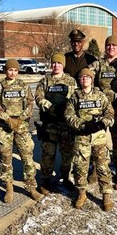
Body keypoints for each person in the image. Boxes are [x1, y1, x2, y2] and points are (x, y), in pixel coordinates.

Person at [0, 59, 43, 203]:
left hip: (21, 126)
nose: (12, 72)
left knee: (27, 157)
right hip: (4, 126)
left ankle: (31, 187)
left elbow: (30, 104)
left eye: (15, 70)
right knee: (5, 158)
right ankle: (8, 187)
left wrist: (21, 118)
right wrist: (8, 119)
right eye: (10, 70)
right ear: (5, 70)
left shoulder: (23, 86)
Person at [65, 68, 115, 211]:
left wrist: (101, 123)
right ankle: (81, 192)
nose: (84, 80)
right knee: (80, 166)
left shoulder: (100, 95)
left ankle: (106, 194)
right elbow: (69, 115)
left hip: (98, 136)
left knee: (102, 165)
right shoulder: (74, 97)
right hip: (81, 137)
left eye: (87, 77)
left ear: (92, 79)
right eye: (82, 77)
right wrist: (81, 125)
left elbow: (109, 112)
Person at [90, 35, 117, 184]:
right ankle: (96, 169)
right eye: (108, 46)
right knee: (98, 141)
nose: (111, 48)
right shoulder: (97, 64)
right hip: (100, 111)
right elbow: (87, 77)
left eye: (114, 46)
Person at [35, 53, 77, 194]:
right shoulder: (45, 81)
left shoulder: (70, 81)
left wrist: (65, 110)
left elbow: (75, 99)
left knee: (67, 154)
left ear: (63, 65)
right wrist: (49, 106)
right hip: (49, 125)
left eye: (59, 63)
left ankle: (66, 178)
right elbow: (38, 97)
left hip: (65, 125)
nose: (56, 65)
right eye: (54, 63)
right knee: (48, 154)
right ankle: (46, 180)